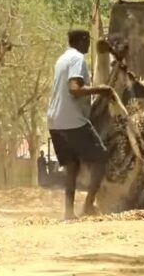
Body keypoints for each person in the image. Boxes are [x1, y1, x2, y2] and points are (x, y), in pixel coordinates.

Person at [47, 29, 114, 220]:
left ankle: (68, 212)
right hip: (72, 121)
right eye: (87, 41)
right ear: (82, 40)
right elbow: (74, 88)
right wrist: (100, 90)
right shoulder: (77, 58)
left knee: (71, 166)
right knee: (101, 158)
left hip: (55, 121)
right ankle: (89, 205)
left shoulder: (62, 59)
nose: (88, 45)